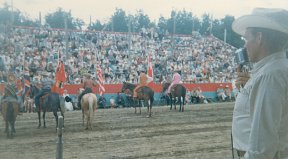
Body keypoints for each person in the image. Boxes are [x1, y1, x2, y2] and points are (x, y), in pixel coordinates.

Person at [232, 8, 288, 158]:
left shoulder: (269, 76)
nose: (245, 46)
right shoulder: (276, 70)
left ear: (259, 38)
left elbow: (261, 149)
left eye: (246, 38)